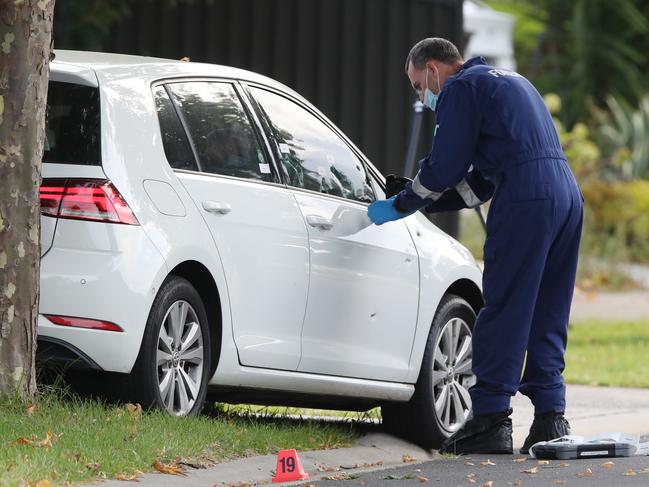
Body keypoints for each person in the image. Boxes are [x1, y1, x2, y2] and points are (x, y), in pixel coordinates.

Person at [367, 38, 583, 455]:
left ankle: (490, 418)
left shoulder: (460, 89)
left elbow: (445, 165)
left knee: (502, 304)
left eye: (417, 86)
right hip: (566, 195)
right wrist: (426, 201)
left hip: (526, 197)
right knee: (548, 307)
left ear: (433, 69)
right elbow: (477, 184)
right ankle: (550, 417)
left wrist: (405, 201)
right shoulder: (513, 83)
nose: (421, 95)